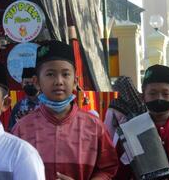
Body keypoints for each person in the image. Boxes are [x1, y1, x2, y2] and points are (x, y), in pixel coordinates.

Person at [12, 40, 118, 180]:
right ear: (37, 82)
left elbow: (108, 169)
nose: (59, 81)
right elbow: (11, 170)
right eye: (50, 74)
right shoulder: (22, 128)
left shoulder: (94, 126)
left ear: (75, 81)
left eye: (66, 74)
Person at [115, 64, 169, 180]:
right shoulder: (130, 130)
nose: (159, 98)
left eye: (165, 93)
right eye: (152, 93)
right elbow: (120, 173)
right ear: (143, 97)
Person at [104, 76, 147, 140]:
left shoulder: (115, 104)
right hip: (141, 139)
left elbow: (108, 128)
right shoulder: (142, 102)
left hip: (121, 140)